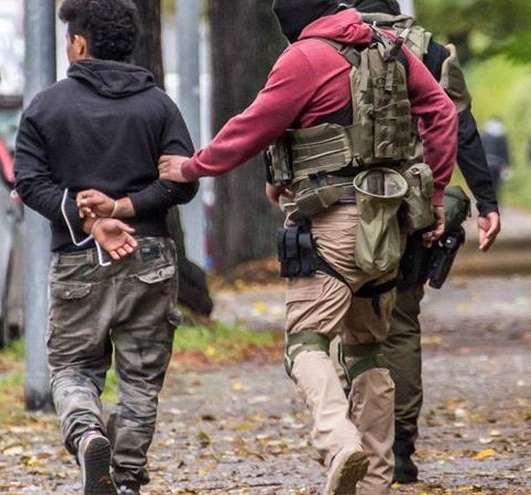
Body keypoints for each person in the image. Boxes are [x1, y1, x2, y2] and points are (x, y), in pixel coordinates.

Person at [158, 1, 458, 492]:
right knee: (368, 349)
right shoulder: (389, 46)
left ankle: (338, 441)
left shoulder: (305, 58)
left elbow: (252, 127)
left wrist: (192, 167)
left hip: (332, 224)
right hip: (390, 222)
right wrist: (438, 194)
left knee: (306, 343)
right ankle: (376, 481)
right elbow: (441, 112)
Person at [12, 1, 198, 493]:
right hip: (149, 255)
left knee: (74, 368)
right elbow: (183, 182)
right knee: (140, 379)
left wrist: (87, 218)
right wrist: (127, 207)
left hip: (77, 259)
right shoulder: (160, 106)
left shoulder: (46, 107)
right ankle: (128, 478)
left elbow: (29, 182)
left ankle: (87, 433)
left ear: (79, 43)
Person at [348, 0, 502, 484]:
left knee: (340, 323)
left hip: (343, 204)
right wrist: (486, 200)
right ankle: (399, 447)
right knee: (400, 325)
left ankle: (353, 440)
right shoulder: (429, 50)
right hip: (412, 205)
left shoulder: (327, 44)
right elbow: (460, 127)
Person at [481, 116, 511, 201]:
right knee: (496, 184)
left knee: (486, 183)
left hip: (486, 163)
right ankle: (494, 200)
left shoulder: (484, 134)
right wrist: (507, 165)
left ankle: (487, 200)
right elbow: (505, 152)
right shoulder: (502, 136)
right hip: (497, 164)